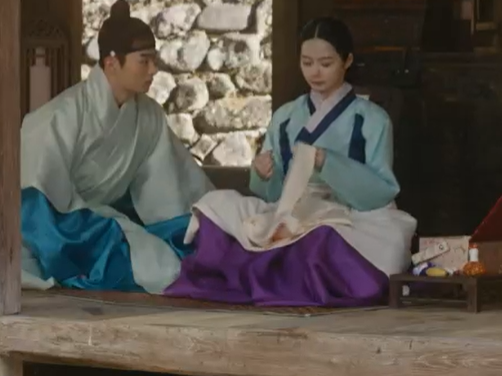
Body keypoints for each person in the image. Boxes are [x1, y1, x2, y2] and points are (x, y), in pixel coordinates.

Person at [0, 0, 214, 294]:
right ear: (111, 63)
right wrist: (86, 233)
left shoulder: (148, 116)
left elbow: (168, 187)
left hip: (96, 221)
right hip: (44, 226)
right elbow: (34, 193)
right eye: (144, 61)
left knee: (164, 261)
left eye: (154, 60)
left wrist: (210, 218)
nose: (153, 70)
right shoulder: (61, 115)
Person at [164, 17, 416, 307]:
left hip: (349, 214)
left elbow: (381, 192)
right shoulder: (285, 117)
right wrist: (263, 173)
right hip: (290, 208)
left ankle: (278, 277)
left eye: (326, 63)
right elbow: (272, 195)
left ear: (347, 61)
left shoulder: (372, 119)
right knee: (215, 204)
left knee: (326, 237)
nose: (315, 72)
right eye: (307, 63)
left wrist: (329, 163)